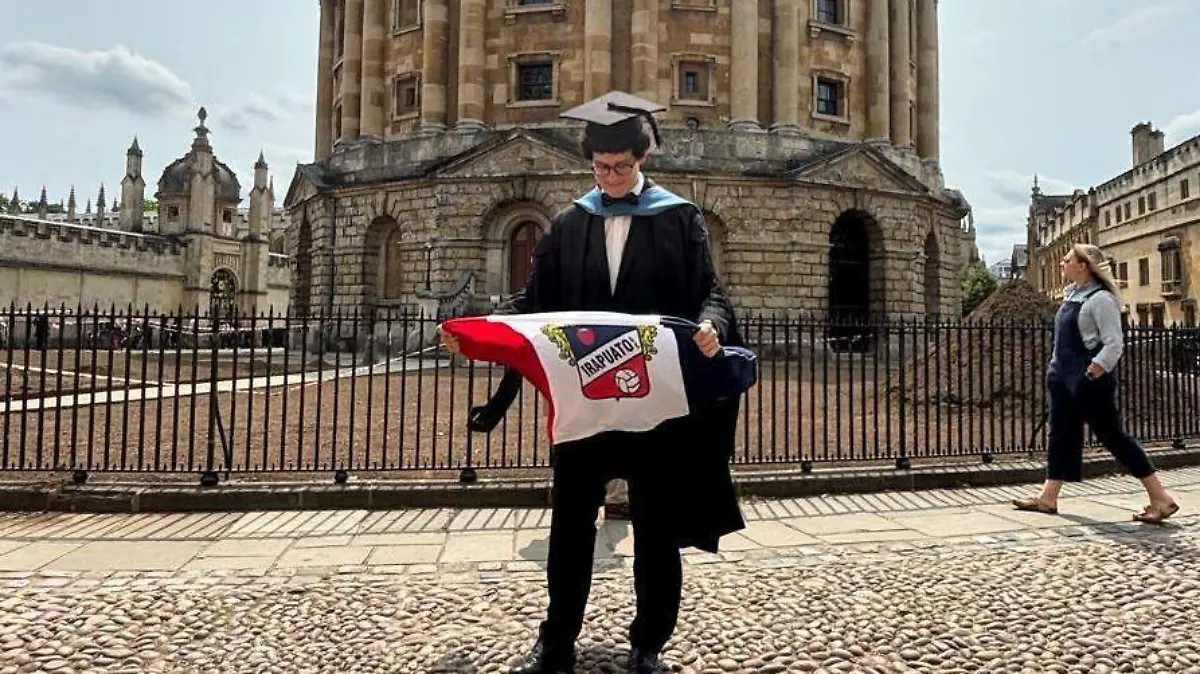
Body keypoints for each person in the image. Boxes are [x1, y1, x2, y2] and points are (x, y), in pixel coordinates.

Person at [440, 91, 745, 674]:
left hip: (654, 405)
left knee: (655, 533)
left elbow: (711, 292)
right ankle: (556, 642)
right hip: (586, 403)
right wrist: (480, 332)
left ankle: (648, 644)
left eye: (621, 167)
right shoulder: (570, 222)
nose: (610, 177)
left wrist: (711, 326)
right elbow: (534, 302)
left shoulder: (678, 217)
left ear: (643, 157)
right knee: (569, 530)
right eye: (601, 167)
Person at [1013, 243, 1179, 524]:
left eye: (1067, 259)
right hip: (1062, 378)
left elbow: (1114, 343)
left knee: (1112, 436)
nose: (1062, 263)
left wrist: (1092, 372)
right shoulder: (1071, 296)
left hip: (1088, 381)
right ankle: (1048, 497)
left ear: (1083, 265)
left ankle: (1160, 497)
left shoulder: (1100, 299)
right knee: (1060, 435)